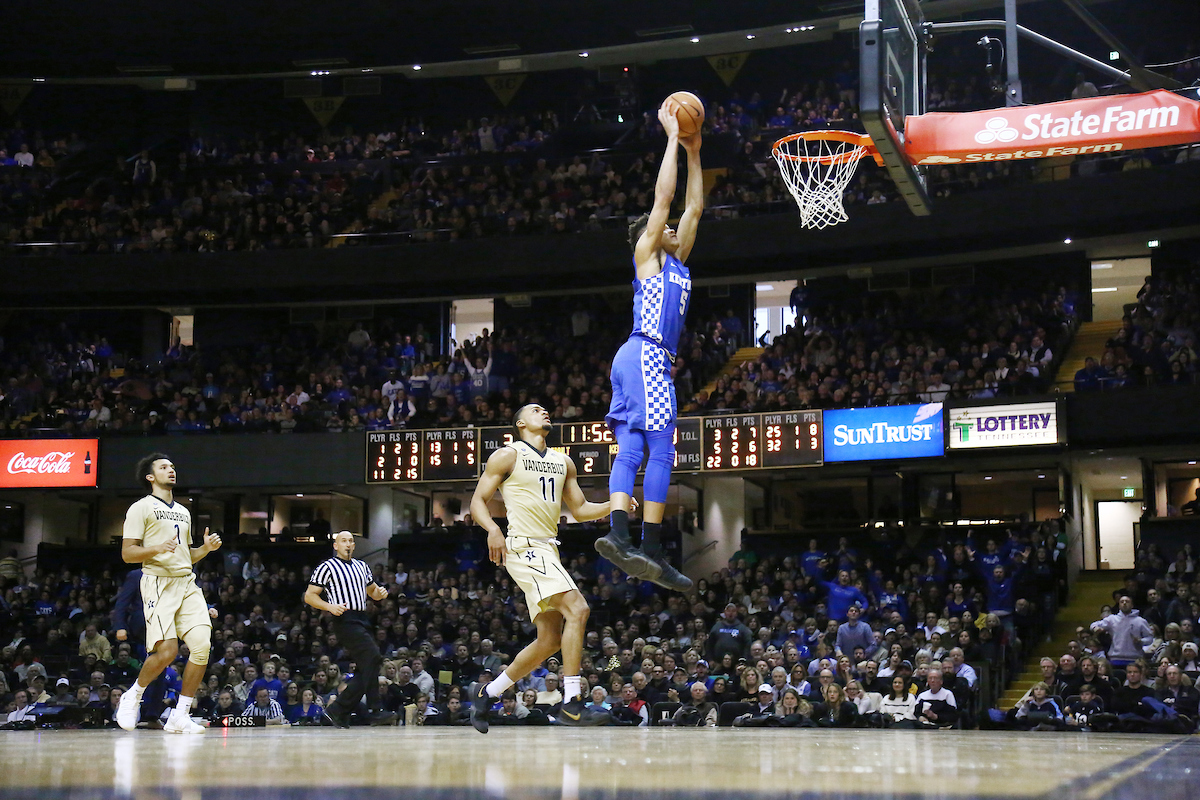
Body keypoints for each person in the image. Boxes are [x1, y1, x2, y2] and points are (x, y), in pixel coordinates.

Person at [594, 100, 702, 593]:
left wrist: (695, 151)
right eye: (664, 228)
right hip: (646, 353)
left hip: (639, 357)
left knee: (634, 447)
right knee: (661, 449)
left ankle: (623, 540)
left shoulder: (677, 262)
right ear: (651, 237)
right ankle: (646, 545)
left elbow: (694, 207)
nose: (673, 228)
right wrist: (671, 139)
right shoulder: (648, 256)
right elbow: (665, 199)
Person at [468, 403, 625, 733]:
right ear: (520, 423)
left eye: (545, 410)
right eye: (536, 410)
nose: (544, 412)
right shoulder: (507, 455)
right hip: (523, 546)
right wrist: (493, 529)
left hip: (548, 549)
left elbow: (580, 510)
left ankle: (487, 694)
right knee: (578, 609)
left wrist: (614, 504)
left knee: (550, 640)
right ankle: (572, 702)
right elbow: (477, 501)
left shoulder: (563, 461)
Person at [116, 453, 222, 734]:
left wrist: (206, 549)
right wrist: (156, 548)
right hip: (158, 582)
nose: (171, 470)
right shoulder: (140, 508)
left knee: (201, 646)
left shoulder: (184, 511)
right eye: (163, 467)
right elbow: (127, 554)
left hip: (186, 582)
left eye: (172, 467)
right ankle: (133, 696)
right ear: (150, 477)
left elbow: (186, 555)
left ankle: (180, 715)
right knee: (167, 652)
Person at [304, 531, 397, 727]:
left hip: (363, 618)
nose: (348, 544)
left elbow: (372, 592)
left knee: (368, 666)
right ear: (336, 546)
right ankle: (375, 710)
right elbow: (309, 596)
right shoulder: (327, 566)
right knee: (373, 657)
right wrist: (329, 607)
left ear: (354, 546)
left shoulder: (362, 566)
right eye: (344, 541)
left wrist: (380, 594)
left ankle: (337, 710)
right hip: (344, 618)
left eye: (351, 541)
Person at [1090, 595, 1154, 667]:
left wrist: (1141, 641)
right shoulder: (1112, 619)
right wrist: (1096, 628)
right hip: (1115, 659)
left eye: (1127, 601)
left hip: (1135, 659)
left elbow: (1150, 638)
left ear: (1132, 605)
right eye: (1122, 602)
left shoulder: (1140, 621)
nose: (1124, 603)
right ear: (1119, 605)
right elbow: (1093, 624)